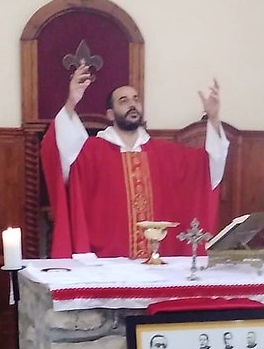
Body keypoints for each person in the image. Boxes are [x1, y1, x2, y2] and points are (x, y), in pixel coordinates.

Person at [42, 63, 229, 259]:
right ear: (110, 114)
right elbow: (59, 152)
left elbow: (208, 169)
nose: (132, 104)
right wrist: (71, 103)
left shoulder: (165, 153)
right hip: (106, 263)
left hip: (158, 265)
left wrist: (214, 119)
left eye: (136, 99)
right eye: (123, 100)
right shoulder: (90, 152)